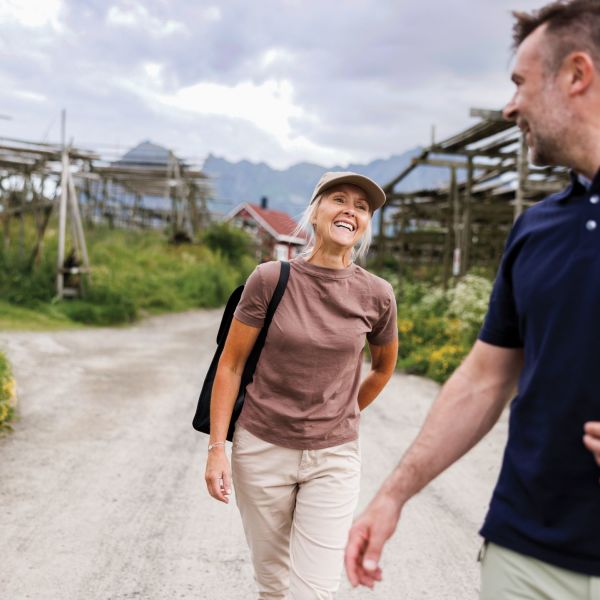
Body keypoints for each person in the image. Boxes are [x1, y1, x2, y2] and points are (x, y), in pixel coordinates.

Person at [344, 1, 600, 598]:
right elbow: (485, 378)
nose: (511, 106)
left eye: (519, 82)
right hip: (524, 553)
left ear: (577, 75)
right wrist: (393, 493)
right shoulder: (535, 229)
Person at [204, 171, 399, 599]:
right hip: (261, 450)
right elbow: (231, 365)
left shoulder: (377, 295)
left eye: (362, 207)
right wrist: (217, 448)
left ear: (365, 224)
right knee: (273, 583)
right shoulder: (270, 279)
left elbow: (383, 368)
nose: (351, 210)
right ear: (314, 211)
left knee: (316, 590)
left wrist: (346, 409)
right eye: (339, 199)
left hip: (334, 457)